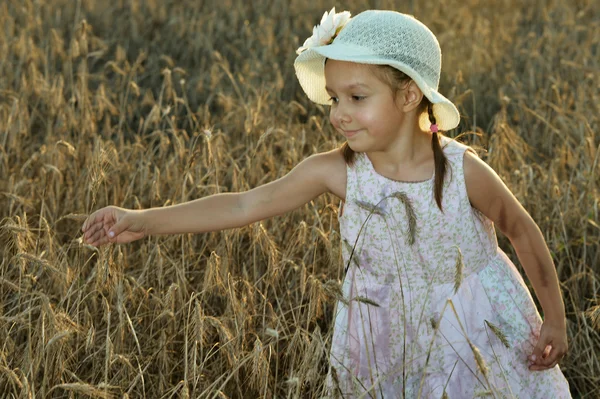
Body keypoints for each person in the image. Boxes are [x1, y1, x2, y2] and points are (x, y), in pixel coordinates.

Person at [82, 8, 571, 398]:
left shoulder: (462, 170)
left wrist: (554, 315)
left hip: (475, 323)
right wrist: (142, 219)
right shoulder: (336, 172)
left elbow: (521, 231)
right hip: (384, 330)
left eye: (356, 97)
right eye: (334, 98)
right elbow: (243, 205)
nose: (339, 114)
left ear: (407, 96)